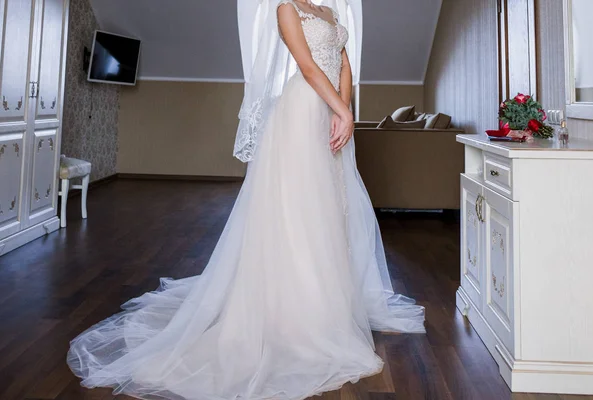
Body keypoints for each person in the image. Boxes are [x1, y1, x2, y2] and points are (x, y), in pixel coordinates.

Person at [67, 1, 425, 399]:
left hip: (331, 113)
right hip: (302, 111)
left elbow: (344, 66)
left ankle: (326, 309)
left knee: (328, 211)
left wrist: (345, 114)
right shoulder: (286, 9)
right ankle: (289, 313)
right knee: (296, 210)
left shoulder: (327, 11)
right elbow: (307, 67)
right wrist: (338, 108)